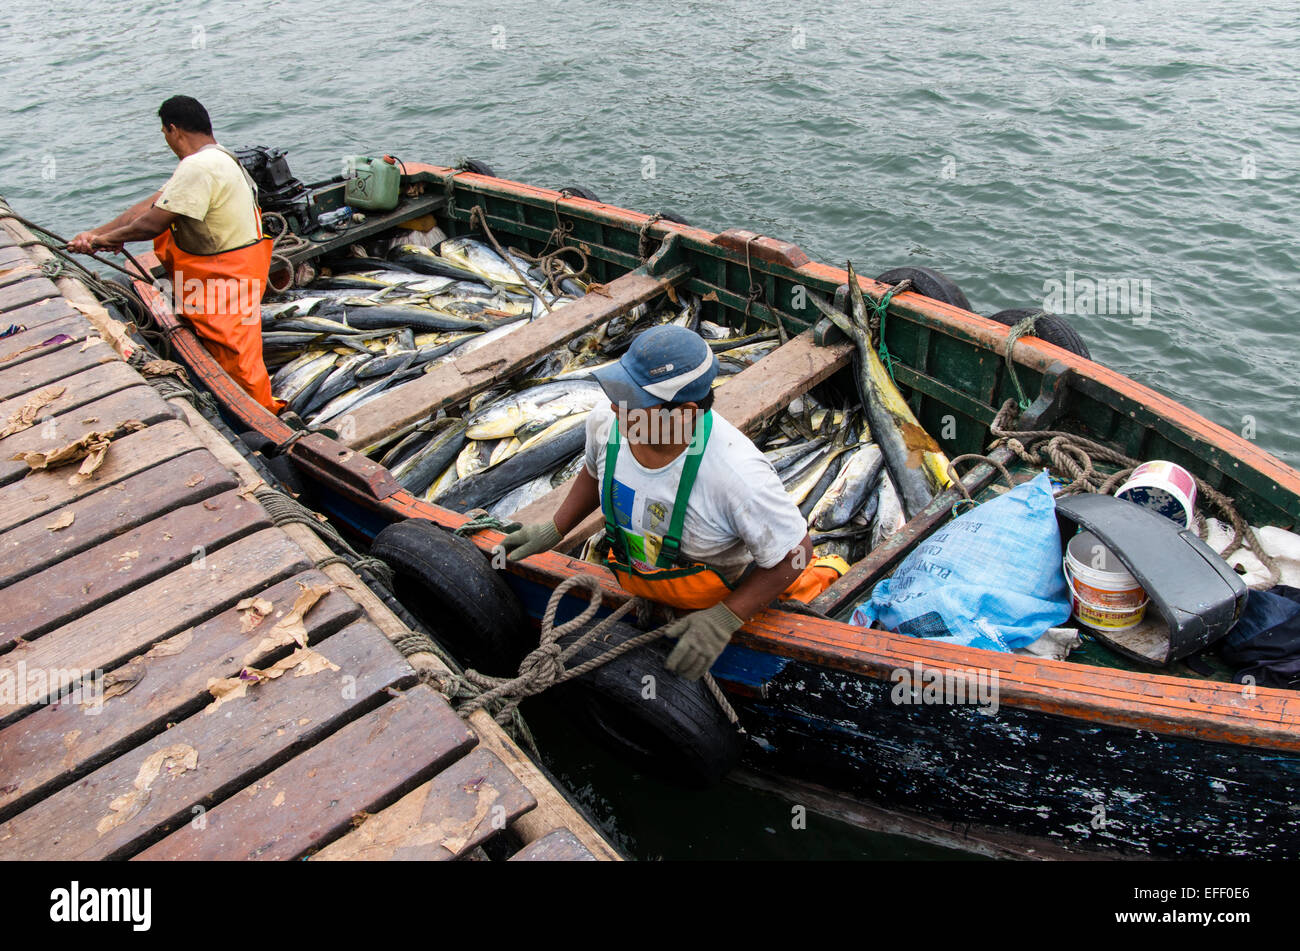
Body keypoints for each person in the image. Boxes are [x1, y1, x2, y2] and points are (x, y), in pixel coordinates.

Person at [501, 325, 847, 680]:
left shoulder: (736, 475)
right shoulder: (609, 423)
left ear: (684, 414)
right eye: (619, 391)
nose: (615, 406)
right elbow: (594, 472)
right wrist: (554, 528)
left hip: (725, 596)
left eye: (634, 401)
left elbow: (795, 552)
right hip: (646, 582)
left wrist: (727, 617)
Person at [67, 96, 283, 412]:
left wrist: (103, 241)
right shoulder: (219, 158)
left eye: (164, 134)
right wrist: (97, 234)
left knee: (235, 353)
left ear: (172, 129)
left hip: (224, 278)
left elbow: (151, 224)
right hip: (228, 272)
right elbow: (148, 208)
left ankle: (261, 416)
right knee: (235, 345)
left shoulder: (198, 167)